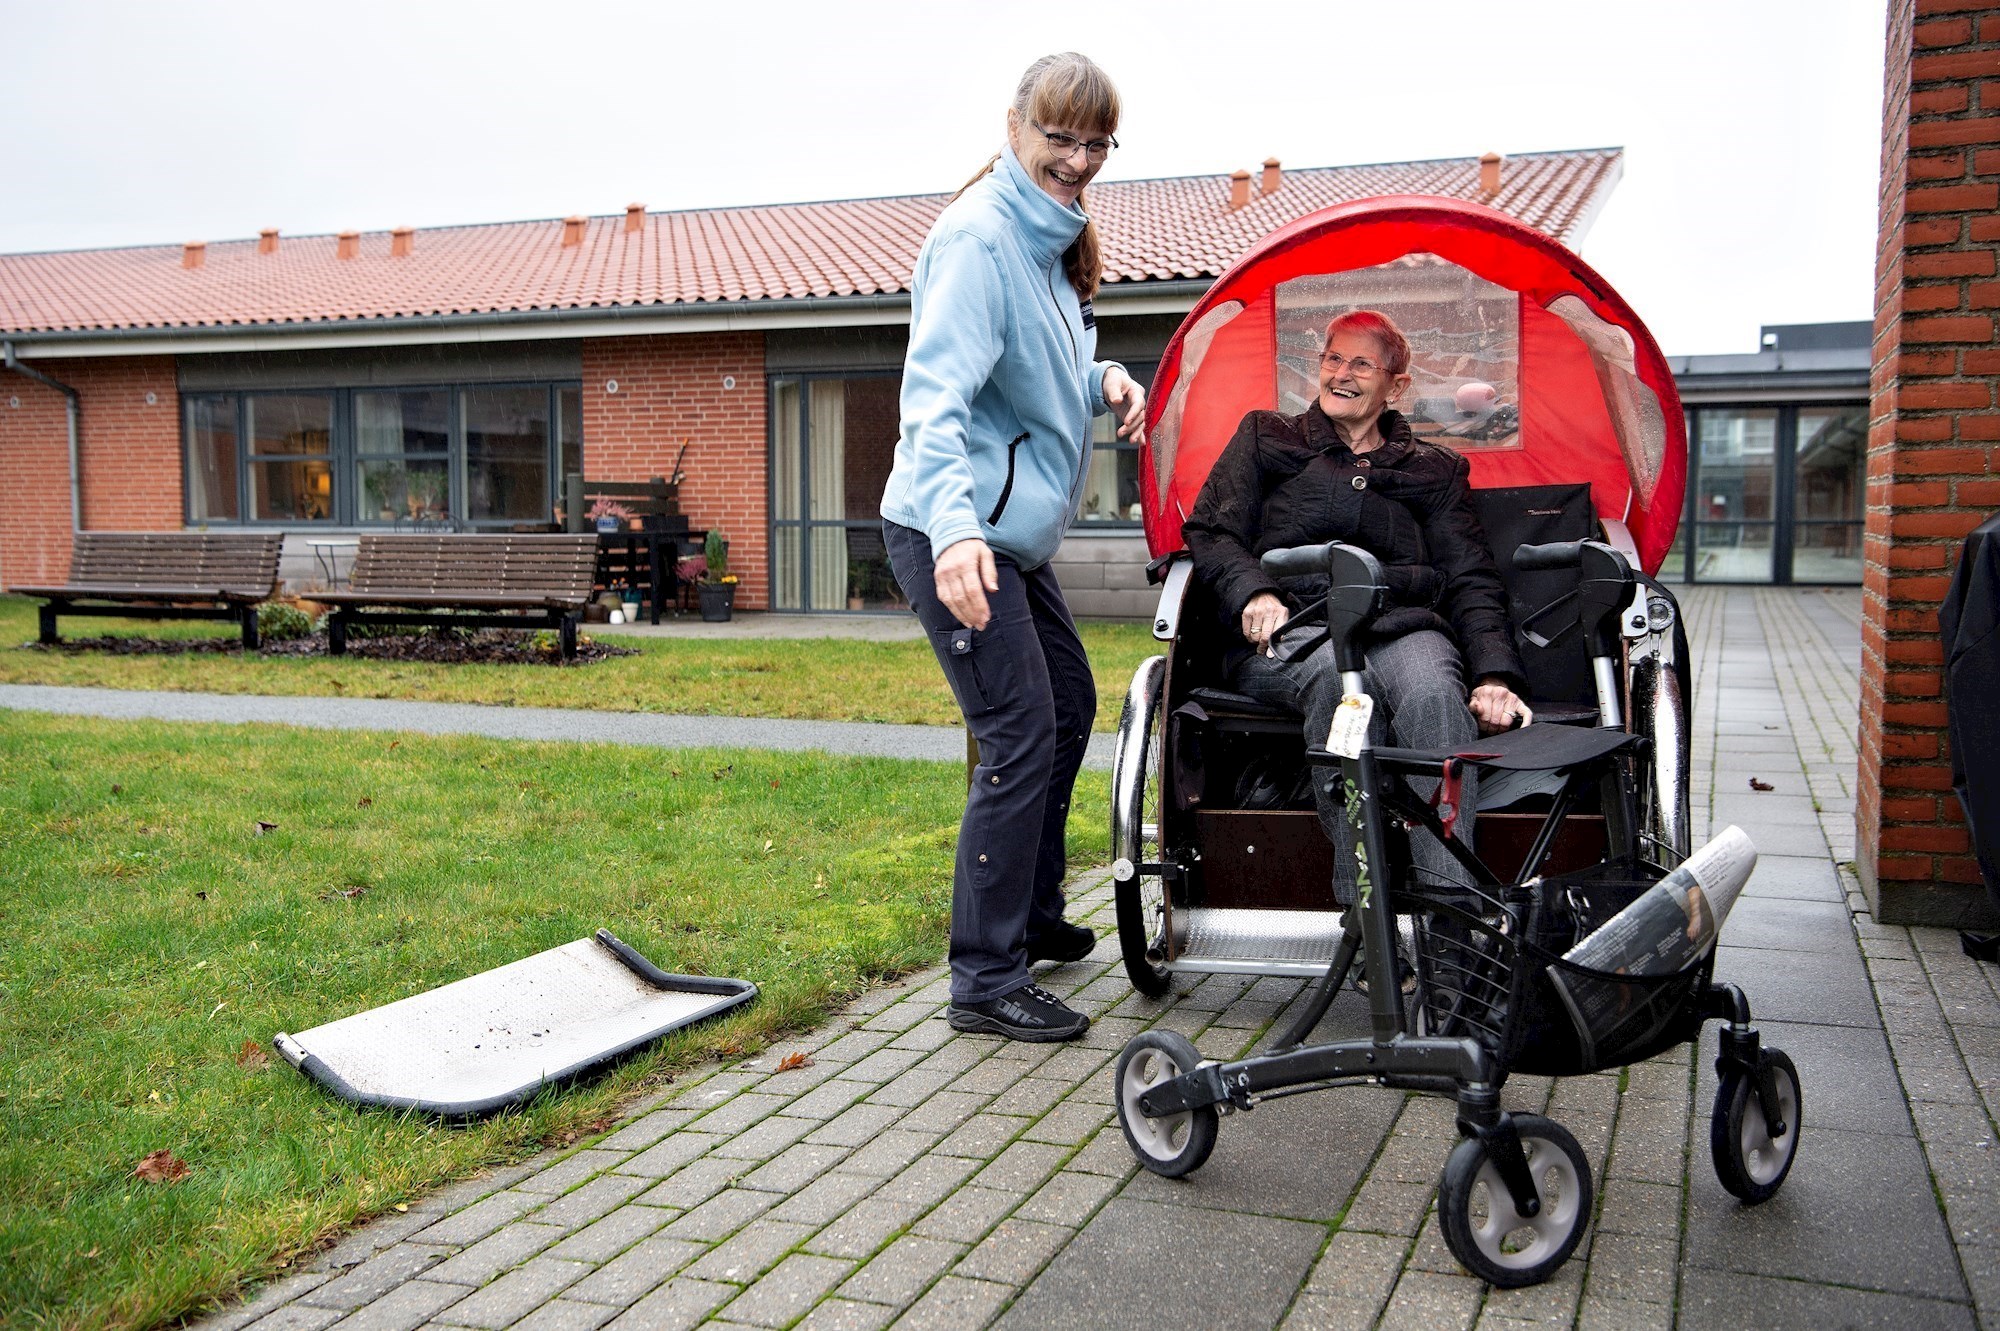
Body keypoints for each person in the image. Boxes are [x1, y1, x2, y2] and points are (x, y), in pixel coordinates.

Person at [879, 53, 1147, 1042]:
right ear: (1014, 126)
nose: (1075, 159)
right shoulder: (979, 238)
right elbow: (934, 403)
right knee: (1019, 728)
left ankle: (1030, 916)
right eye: (1058, 137)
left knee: (1068, 705)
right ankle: (985, 978)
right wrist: (955, 533)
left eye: (1095, 143)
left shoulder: (1048, 244)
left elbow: (1029, 372)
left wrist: (1102, 379)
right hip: (950, 529)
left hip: (1005, 538)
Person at [1183, 309, 1531, 897]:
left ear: (1397, 385)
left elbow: (1471, 578)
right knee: (1343, 688)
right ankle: (1364, 901)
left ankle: (1452, 908)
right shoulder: (1268, 436)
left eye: (1362, 364)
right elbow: (1213, 531)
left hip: (1404, 624)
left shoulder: (1435, 469)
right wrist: (1256, 591)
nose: (1341, 374)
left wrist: (1495, 675)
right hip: (1296, 625)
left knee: (1433, 693)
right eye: (1333, 359)